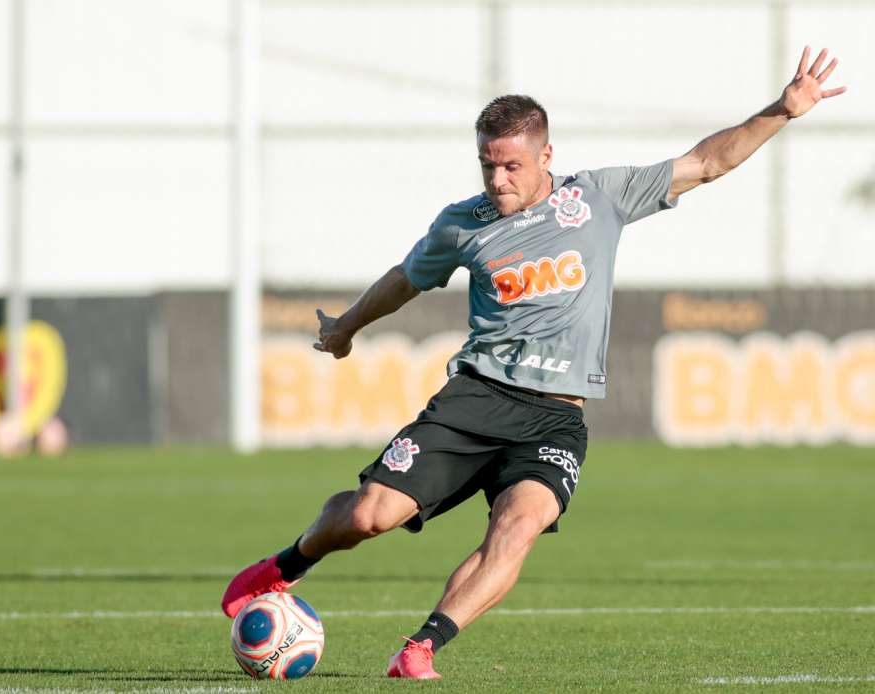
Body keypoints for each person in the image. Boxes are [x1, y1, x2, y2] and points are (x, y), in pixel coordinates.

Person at [222, 46, 845, 679]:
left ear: (546, 156)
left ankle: (421, 648)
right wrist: (346, 327)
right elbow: (406, 280)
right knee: (367, 516)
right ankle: (286, 565)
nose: (497, 181)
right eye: (487, 166)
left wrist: (782, 111)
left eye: (512, 166)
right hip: (475, 400)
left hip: (555, 420)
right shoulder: (462, 224)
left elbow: (709, 162)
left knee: (517, 526)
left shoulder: (601, 196)